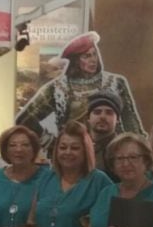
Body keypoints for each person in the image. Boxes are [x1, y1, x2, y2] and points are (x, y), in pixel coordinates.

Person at [16, 30, 145, 156]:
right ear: (75, 60)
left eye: (94, 54)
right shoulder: (58, 88)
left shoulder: (116, 83)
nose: (93, 60)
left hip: (112, 156)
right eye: (86, 56)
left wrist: (136, 153)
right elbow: (25, 121)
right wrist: (52, 143)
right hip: (72, 157)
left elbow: (132, 126)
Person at [0, 125, 47, 227]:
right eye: (12, 145)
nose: (19, 149)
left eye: (25, 145)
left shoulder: (46, 178)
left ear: (34, 150)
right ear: (6, 151)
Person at [87, 91, 124, 177]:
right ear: (88, 118)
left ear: (117, 119)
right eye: (97, 112)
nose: (102, 117)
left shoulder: (124, 149)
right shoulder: (78, 147)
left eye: (109, 113)